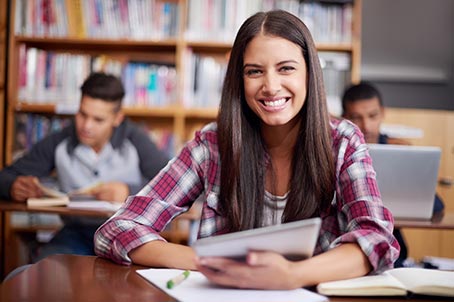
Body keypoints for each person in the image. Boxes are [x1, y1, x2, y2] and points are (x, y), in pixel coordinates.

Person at [95, 10, 399, 289]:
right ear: (239, 81)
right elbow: (119, 227)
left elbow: (375, 239)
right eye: (254, 72)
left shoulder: (343, 142)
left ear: (309, 73)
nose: (270, 86)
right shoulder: (212, 144)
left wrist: (291, 275)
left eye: (286, 69)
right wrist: (208, 262)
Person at [0, 72, 169, 260]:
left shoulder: (136, 140)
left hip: (128, 236)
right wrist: (12, 186)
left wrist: (130, 192)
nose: (86, 126)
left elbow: (171, 186)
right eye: (82, 114)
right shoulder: (60, 140)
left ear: (117, 118)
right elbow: (5, 177)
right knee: (42, 268)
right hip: (75, 234)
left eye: (98, 120)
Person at [341, 81, 445, 268]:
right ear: (345, 118)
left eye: (373, 116)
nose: (367, 126)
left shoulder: (399, 150)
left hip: (393, 249)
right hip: (345, 243)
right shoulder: (339, 153)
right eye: (357, 117)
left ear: (383, 112)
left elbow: (435, 206)